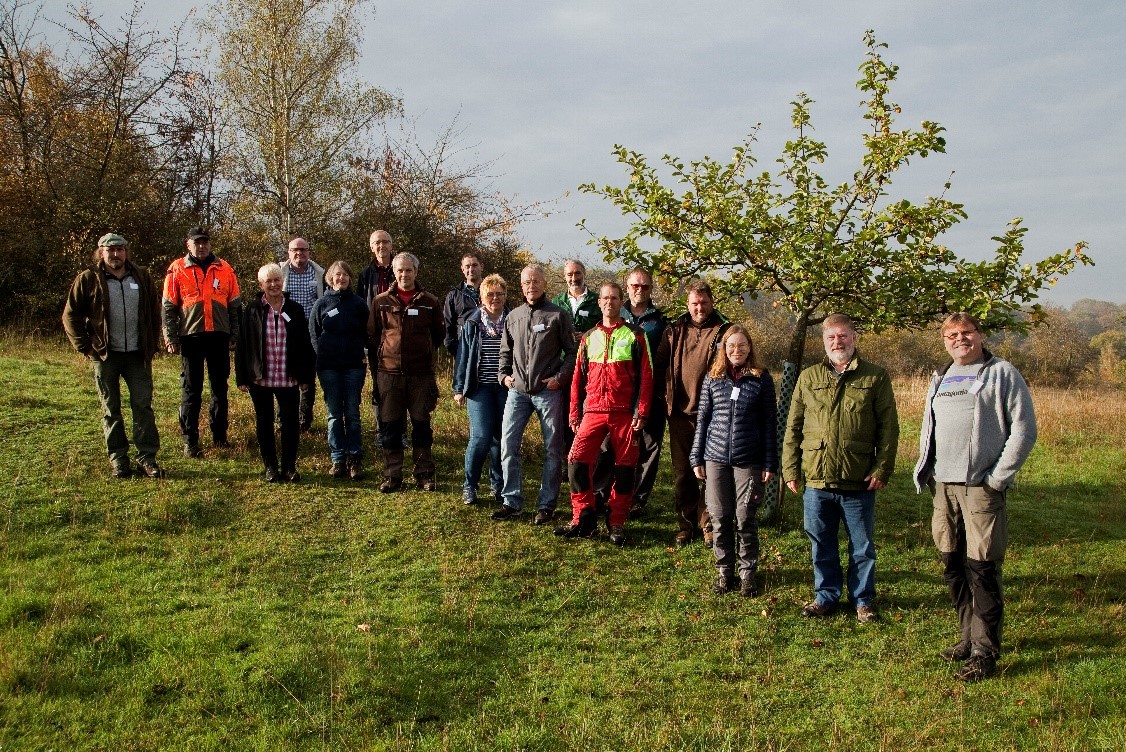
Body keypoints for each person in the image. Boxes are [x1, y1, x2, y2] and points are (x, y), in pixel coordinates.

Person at [913, 313, 1037, 682]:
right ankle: (967, 637)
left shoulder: (1001, 373)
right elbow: (929, 427)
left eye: (966, 332)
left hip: (981, 489)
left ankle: (985, 651)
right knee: (952, 564)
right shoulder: (942, 375)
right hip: (944, 487)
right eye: (951, 334)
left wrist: (997, 479)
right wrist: (926, 470)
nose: (959, 339)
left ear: (980, 335)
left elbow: (1024, 430)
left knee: (982, 568)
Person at [782, 313, 899, 623]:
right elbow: (792, 426)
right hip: (816, 479)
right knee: (821, 543)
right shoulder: (808, 377)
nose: (838, 342)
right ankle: (826, 596)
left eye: (843, 336)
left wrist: (882, 468)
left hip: (858, 478)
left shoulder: (875, 377)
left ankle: (863, 601)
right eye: (831, 337)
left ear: (854, 338)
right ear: (824, 342)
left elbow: (889, 428)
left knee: (862, 547)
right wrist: (790, 469)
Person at [556, 281, 652, 546]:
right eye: (605, 298)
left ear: (621, 302)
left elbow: (646, 376)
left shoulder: (636, 335)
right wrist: (574, 412)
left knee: (624, 469)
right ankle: (583, 518)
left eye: (614, 298)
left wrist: (642, 410)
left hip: (624, 414)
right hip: (593, 411)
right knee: (576, 461)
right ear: (599, 303)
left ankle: (616, 521)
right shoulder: (588, 337)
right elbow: (577, 379)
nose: (609, 302)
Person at [62, 233, 164, 479]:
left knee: (143, 406)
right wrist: (86, 346)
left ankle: (146, 458)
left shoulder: (141, 276)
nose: (115, 254)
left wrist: (152, 343)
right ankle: (119, 460)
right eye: (110, 250)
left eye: (120, 249)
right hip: (106, 355)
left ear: (126, 251)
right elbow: (70, 315)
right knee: (111, 408)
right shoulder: (88, 279)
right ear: (101, 252)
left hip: (137, 356)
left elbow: (153, 310)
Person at [690, 325, 777, 596]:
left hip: (748, 459)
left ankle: (747, 573)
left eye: (741, 345)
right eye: (731, 346)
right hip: (714, 457)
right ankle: (724, 572)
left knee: (745, 517)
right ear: (723, 350)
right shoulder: (712, 379)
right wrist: (697, 456)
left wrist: (769, 462)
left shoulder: (761, 380)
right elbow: (702, 419)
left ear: (749, 348)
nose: (736, 351)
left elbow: (770, 423)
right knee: (719, 517)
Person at [492, 264, 577, 524]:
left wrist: (560, 379)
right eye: (527, 282)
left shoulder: (558, 315)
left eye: (536, 282)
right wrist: (503, 376)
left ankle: (546, 505)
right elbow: (505, 352)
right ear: (521, 285)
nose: (532, 286)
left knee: (552, 449)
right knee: (508, 445)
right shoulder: (513, 316)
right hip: (517, 392)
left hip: (547, 392)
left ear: (544, 284)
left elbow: (572, 352)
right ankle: (512, 501)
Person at [654, 279, 730, 546]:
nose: (700, 307)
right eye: (695, 303)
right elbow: (660, 363)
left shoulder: (725, 331)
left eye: (704, 302)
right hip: (679, 414)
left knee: (712, 470)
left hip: (714, 414)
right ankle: (685, 524)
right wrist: (662, 395)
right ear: (687, 304)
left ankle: (707, 522)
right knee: (683, 471)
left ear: (712, 303)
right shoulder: (674, 330)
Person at [593, 267, 668, 518]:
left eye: (645, 286)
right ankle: (602, 495)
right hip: (616, 394)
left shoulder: (660, 320)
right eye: (635, 286)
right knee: (608, 446)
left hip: (651, 391)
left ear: (651, 289)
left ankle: (638, 500)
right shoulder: (614, 311)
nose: (639, 290)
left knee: (649, 447)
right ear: (627, 288)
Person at [367, 251, 444, 492]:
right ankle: (392, 475)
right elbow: (372, 334)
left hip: (421, 375)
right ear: (394, 272)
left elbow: (438, 336)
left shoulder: (430, 302)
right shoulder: (381, 301)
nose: (404, 274)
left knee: (421, 424)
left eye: (408, 270)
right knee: (391, 426)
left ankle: (424, 474)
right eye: (399, 270)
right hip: (388, 374)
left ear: (416, 272)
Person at [162, 226, 242, 457]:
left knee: (220, 389)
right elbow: (168, 307)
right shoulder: (177, 268)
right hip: (191, 336)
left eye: (205, 242)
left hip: (219, 336)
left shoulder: (225, 268)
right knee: (191, 390)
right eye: (197, 242)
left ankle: (220, 437)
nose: (202, 246)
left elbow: (235, 306)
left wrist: (235, 336)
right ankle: (190, 441)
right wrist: (171, 338)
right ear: (188, 244)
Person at [235, 263, 315, 482]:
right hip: (261, 377)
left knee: (290, 424)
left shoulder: (295, 309)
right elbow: (242, 345)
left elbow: (305, 346)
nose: (273, 285)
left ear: (283, 282)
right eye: (268, 281)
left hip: (288, 377)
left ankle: (289, 466)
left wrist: (306, 377)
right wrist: (241, 377)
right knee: (264, 421)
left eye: (277, 280)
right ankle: (270, 466)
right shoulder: (252, 309)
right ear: (261, 285)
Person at [452, 274, 509, 505]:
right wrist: (459, 388)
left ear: (505, 296)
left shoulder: (513, 321)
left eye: (499, 294)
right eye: (490, 294)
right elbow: (462, 357)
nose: (495, 298)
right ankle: (470, 485)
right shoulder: (473, 323)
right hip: (479, 389)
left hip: (506, 388)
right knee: (481, 437)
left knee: (501, 438)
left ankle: (498, 485)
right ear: (482, 298)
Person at [310, 261, 369, 480]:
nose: (341, 278)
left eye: (345, 275)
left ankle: (354, 458)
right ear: (329, 278)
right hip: (328, 367)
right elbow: (313, 333)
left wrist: (361, 353)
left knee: (352, 414)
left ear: (350, 278)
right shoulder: (321, 303)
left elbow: (367, 332)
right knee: (334, 415)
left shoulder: (359, 304)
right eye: (337, 275)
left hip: (354, 366)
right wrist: (322, 354)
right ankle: (338, 459)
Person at [551, 259, 600, 456]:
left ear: (584, 274)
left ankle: (588, 456)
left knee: (587, 410)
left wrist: (588, 333)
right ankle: (567, 459)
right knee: (563, 414)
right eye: (570, 274)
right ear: (564, 277)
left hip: (591, 364)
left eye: (577, 273)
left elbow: (605, 326)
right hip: (563, 365)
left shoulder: (597, 301)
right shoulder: (556, 302)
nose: (574, 278)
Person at [279, 236, 325, 432]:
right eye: (295, 250)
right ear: (288, 253)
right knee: (284, 375)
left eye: (303, 250)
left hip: (311, 331)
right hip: (285, 331)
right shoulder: (279, 273)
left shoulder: (320, 274)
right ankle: (283, 420)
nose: (299, 253)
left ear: (309, 252)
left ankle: (304, 420)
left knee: (308, 376)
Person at [358, 229, 395, 446]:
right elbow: (361, 306)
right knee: (379, 385)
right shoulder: (365, 274)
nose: (381, 246)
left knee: (399, 385)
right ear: (371, 247)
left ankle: (398, 430)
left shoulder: (400, 267)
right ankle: (381, 430)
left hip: (397, 337)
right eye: (377, 243)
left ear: (391, 245)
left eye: (385, 242)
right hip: (375, 339)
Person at [443, 253, 484, 360]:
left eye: (475, 265)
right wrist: (459, 352)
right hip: (464, 354)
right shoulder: (454, 295)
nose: (471, 269)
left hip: (491, 354)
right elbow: (448, 328)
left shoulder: (494, 292)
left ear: (482, 266)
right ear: (462, 269)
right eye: (467, 266)